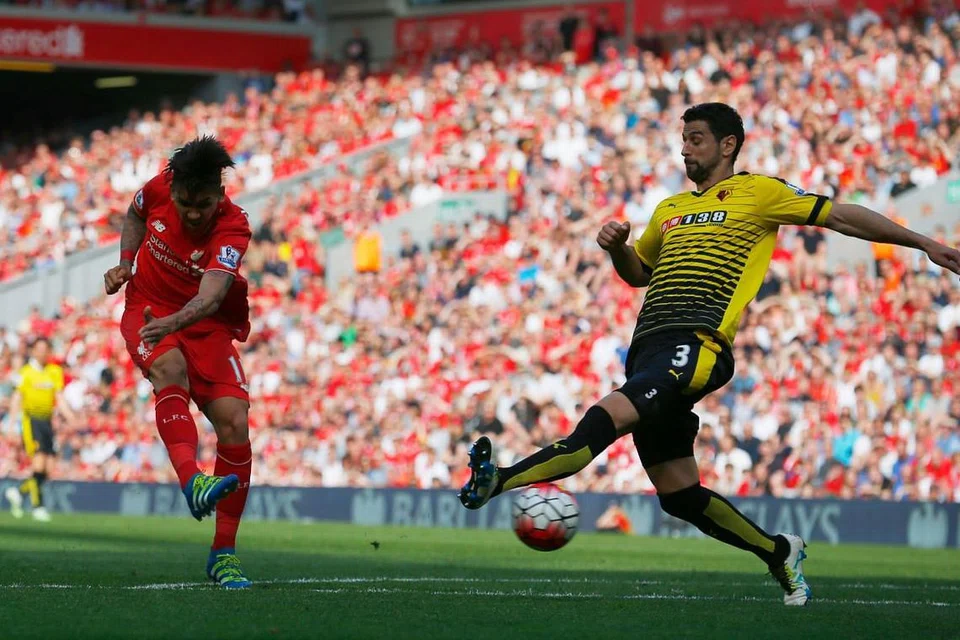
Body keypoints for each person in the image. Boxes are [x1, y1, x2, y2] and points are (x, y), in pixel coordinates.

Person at [458, 102, 960, 606]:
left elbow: (841, 216)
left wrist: (921, 243)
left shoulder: (759, 192)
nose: (684, 148)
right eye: (683, 139)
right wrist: (617, 248)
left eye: (695, 138)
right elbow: (640, 274)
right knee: (680, 497)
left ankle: (497, 481)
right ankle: (780, 551)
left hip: (696, 345)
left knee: (601, 420)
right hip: (648, 349)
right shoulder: (668, 210)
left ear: (727, 145)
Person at [102, 136, 255, 589]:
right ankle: (193, 481)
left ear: (219, 195)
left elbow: (210, 298)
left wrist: (176, 321)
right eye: (185, 203)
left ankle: (223, 554)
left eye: (203, 204)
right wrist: (126, 262)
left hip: (200, 322)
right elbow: (134, 214)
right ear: (173, 188)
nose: (192, 213)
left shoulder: (233, 227)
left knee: (235, 421)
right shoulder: (157, 187)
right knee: (169, 371)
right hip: (147, 310)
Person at [4, 337, 73, 522]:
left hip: (47, 421)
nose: (42, 352)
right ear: (33, 351)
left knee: (48, 469)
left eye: (46, 349)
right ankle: (37, 506)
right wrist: (11, 425)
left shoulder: (54, 371)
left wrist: (71, 417)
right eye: (39, 349)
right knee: (38, 463)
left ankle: (18, 491)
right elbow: (17, 399)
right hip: (31, 420)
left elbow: (59, 397)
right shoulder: (25, 373)